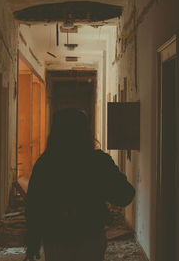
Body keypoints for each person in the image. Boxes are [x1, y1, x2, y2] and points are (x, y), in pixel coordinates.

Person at [24, 108, 135, 261]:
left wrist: (33, 243)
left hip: (56, 238)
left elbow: (34, 206)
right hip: (90, 236)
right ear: (86, 133)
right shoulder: (98, 162)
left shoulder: (45, 163)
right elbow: (125, 195)